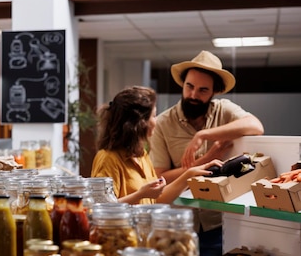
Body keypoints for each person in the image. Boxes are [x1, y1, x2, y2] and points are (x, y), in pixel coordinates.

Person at [149, 50, 264, 256]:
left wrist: (204, 135)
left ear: (214, 92)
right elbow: (161, 178)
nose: (193, 95)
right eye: (189, 87)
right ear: (182, 85)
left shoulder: (224, 110)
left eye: (203, 90)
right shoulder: (163, 123)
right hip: (179, 223)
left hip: (217, 222)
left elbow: (256, 126)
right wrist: (207, 159)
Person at [91, 85, 222, 205]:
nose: (157, 120)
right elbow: (101, 209)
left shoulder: (142, 155)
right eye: (153, 116)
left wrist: (190, 175)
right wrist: (140, 195)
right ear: (139, 123)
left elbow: (156, 199)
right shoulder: (108, 159)